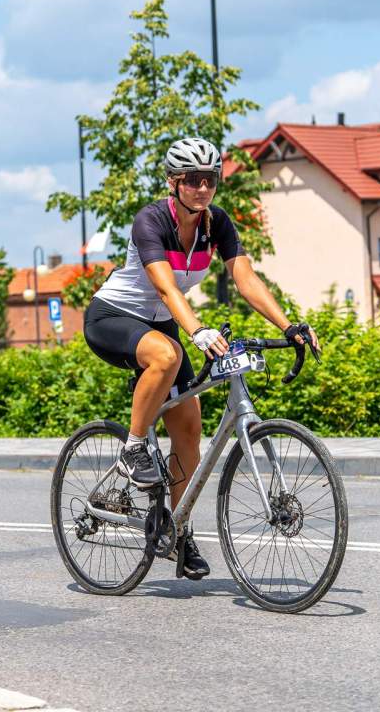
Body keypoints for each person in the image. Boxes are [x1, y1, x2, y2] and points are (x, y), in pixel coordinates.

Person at [83, 137, 318, 580]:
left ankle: (179, 532)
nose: (201, 188)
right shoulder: (150, 220)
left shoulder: (218, 224)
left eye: (209, 179)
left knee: (189, 430)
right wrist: (197, 330)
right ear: (173, 182)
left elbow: (246, 278)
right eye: (191, 180)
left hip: (164, 325)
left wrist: (288, 326)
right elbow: (166, 287)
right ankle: (135, 447)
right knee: (166, 354)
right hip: (115, 316)